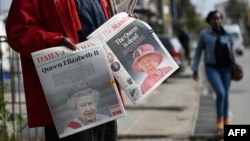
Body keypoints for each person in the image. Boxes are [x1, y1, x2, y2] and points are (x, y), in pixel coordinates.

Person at [5, 0, 124, 140]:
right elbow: (18, 31)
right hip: (66, 97)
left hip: (105, 92)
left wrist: (125, 24)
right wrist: (54, 41)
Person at [192, 10, 235, 132]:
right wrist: (195, 68)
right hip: (212, 68)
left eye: (219, 18)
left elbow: (231, 51)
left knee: (226, 94)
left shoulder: (226, 34)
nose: (217, 21)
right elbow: (198, 52)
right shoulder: (204, 34)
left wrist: (234, 66)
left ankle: (226, 120)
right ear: (210, 21)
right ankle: (219, 120)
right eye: (215, 19)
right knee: (220, 93)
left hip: (226, 68)